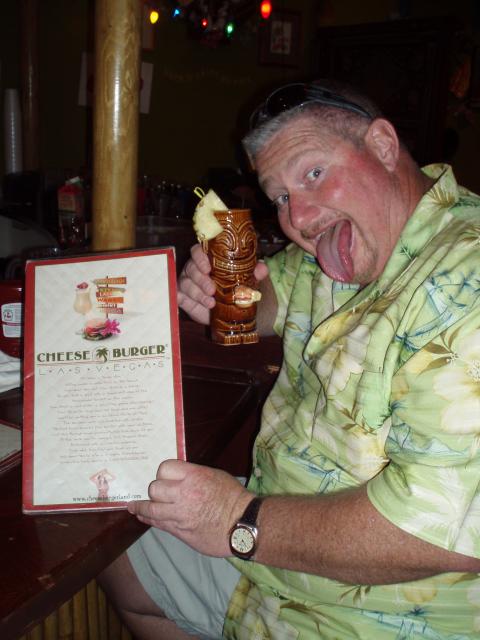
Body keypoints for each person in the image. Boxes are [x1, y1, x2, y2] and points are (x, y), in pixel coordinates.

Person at [99, 80, 480, 639]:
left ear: (382, 145)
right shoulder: (353, 243)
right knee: (109, 536)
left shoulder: (466, 280)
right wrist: (231, 299)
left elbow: (446, 532)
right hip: (270, 551)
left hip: (369, 615)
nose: (298, 216)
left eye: (313, 173)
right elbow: (277, 295)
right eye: (279, 197)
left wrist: (237, 520)